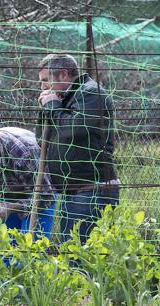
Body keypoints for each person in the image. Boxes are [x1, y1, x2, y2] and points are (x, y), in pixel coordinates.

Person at [36, 53, 120, 245]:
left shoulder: (91, 93)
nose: (42, 87)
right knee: (71, 252)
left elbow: (73, 130)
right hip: (70, 192)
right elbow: (42, 138)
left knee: (83, 255)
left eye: (46, 80)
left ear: (63, 74)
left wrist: (53, 106)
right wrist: (48, 107)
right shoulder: (64, 99)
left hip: (92, 192)